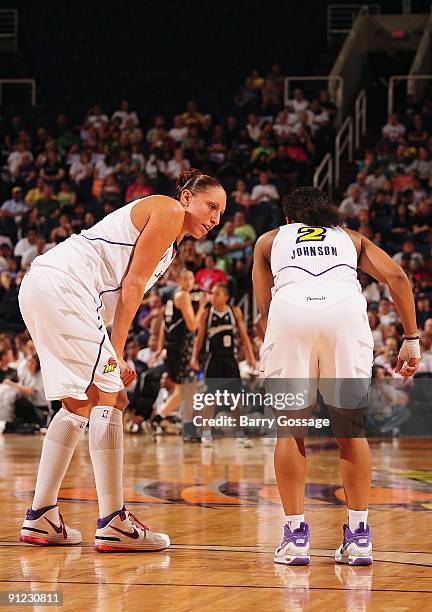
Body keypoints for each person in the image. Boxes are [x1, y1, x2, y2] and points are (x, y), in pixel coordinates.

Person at [18, 168, 226, 552]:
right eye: (210, 206)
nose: (214, 219)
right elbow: (131, 289)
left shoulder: (171, 241)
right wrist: (116, 352)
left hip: (43, 285)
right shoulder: (166, 211)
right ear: (185, 197)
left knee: (81, 402)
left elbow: (118, 292)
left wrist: (112, 353)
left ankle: (41, 516)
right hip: (66, 285)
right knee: (112, 398)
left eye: (220, 213)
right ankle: (114, 521)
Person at [252, 186, 421, 567]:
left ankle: (295, 538)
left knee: (290, 431)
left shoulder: (269, 240)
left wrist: (284, 341)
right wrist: (411, 339)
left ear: (288, 219)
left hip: (290, 312)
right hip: (345, 315)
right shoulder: (352, 238)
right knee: (351, 431)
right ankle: (359, 536)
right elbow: (396, 276)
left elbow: (265, 306)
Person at [190, 282, 256, 446]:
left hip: (230, 359)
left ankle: (240, 433)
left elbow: (244, 335)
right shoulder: (207, 313)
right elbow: (199, 338)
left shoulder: (235, 311)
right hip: (213, 358)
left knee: (236, 398)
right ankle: (206, 433)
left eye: (216, 294)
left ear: (226, 296)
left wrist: (251, 356)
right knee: (209, 398)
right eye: (212, 293)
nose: (213, 296)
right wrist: (193, 357)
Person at [150, 269, 208, 433]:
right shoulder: (183, 296)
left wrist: (161, 347)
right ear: (179, 280)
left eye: (191, 278)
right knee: (187, 388)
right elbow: (192, 326)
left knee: (182, 390)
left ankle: (159, 417)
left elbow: (163, 326)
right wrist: (202, 306)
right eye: (185, 278)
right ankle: (188, 427)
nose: (189, 281)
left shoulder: (172, 297)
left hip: (172, 348)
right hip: (181, 349)